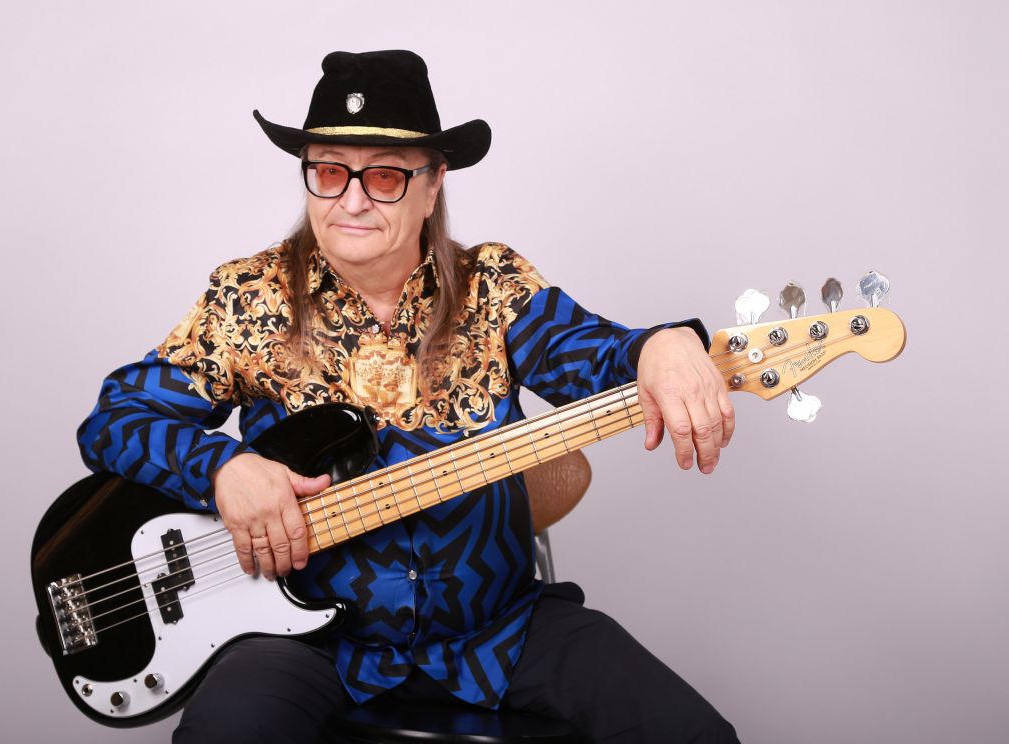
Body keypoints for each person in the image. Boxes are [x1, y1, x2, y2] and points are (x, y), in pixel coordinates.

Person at [78, 50, 739, 743]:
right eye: (329, 172)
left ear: (433, 184)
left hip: (500, 630)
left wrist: (660, 348)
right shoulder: (249, 298)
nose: (351, 200)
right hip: (309, 642)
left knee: (693, 736)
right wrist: (224, 470)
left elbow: (595, 355)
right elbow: (115, 418)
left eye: (385, 176)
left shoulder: (494, 287)